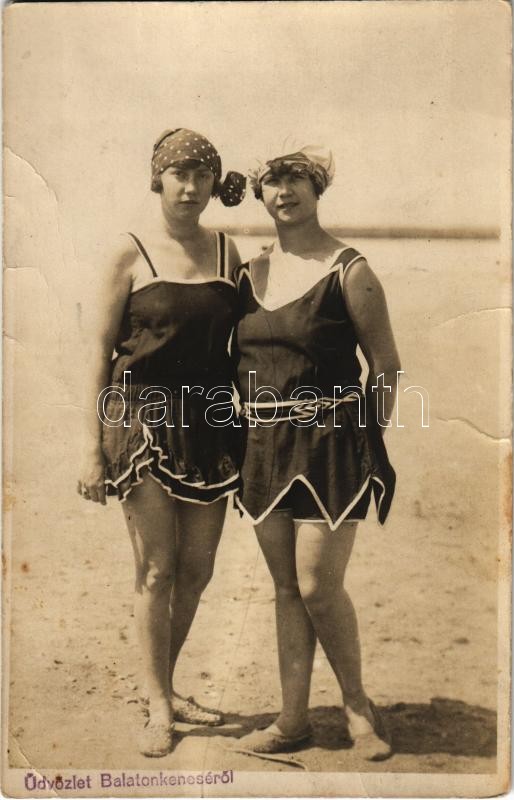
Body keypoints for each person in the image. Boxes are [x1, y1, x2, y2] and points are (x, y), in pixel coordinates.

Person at [77, 128, 245, 757]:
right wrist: (91, 445)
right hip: (141, 419)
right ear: (158, 179)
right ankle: (157, 704)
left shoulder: (231, 255)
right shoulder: (130, 252)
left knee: (197, 571)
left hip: (210, 425)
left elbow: (252, 345)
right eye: (179, 174)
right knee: (157, 568)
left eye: (203, 176)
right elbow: (96, 351)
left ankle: (162, 685)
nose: (191, 187)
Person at [231, 143, 400, 760]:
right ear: (260, 196)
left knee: (317, 585)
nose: (284, 191)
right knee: (285, 589)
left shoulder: (350, 269)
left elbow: (385, 366)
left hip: (332, 443)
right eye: (272, 182)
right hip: (263, 445)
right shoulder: (248, 274)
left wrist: (367, 443)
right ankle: (293, 719)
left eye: (296, 179)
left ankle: (358, 710)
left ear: (316, 189)